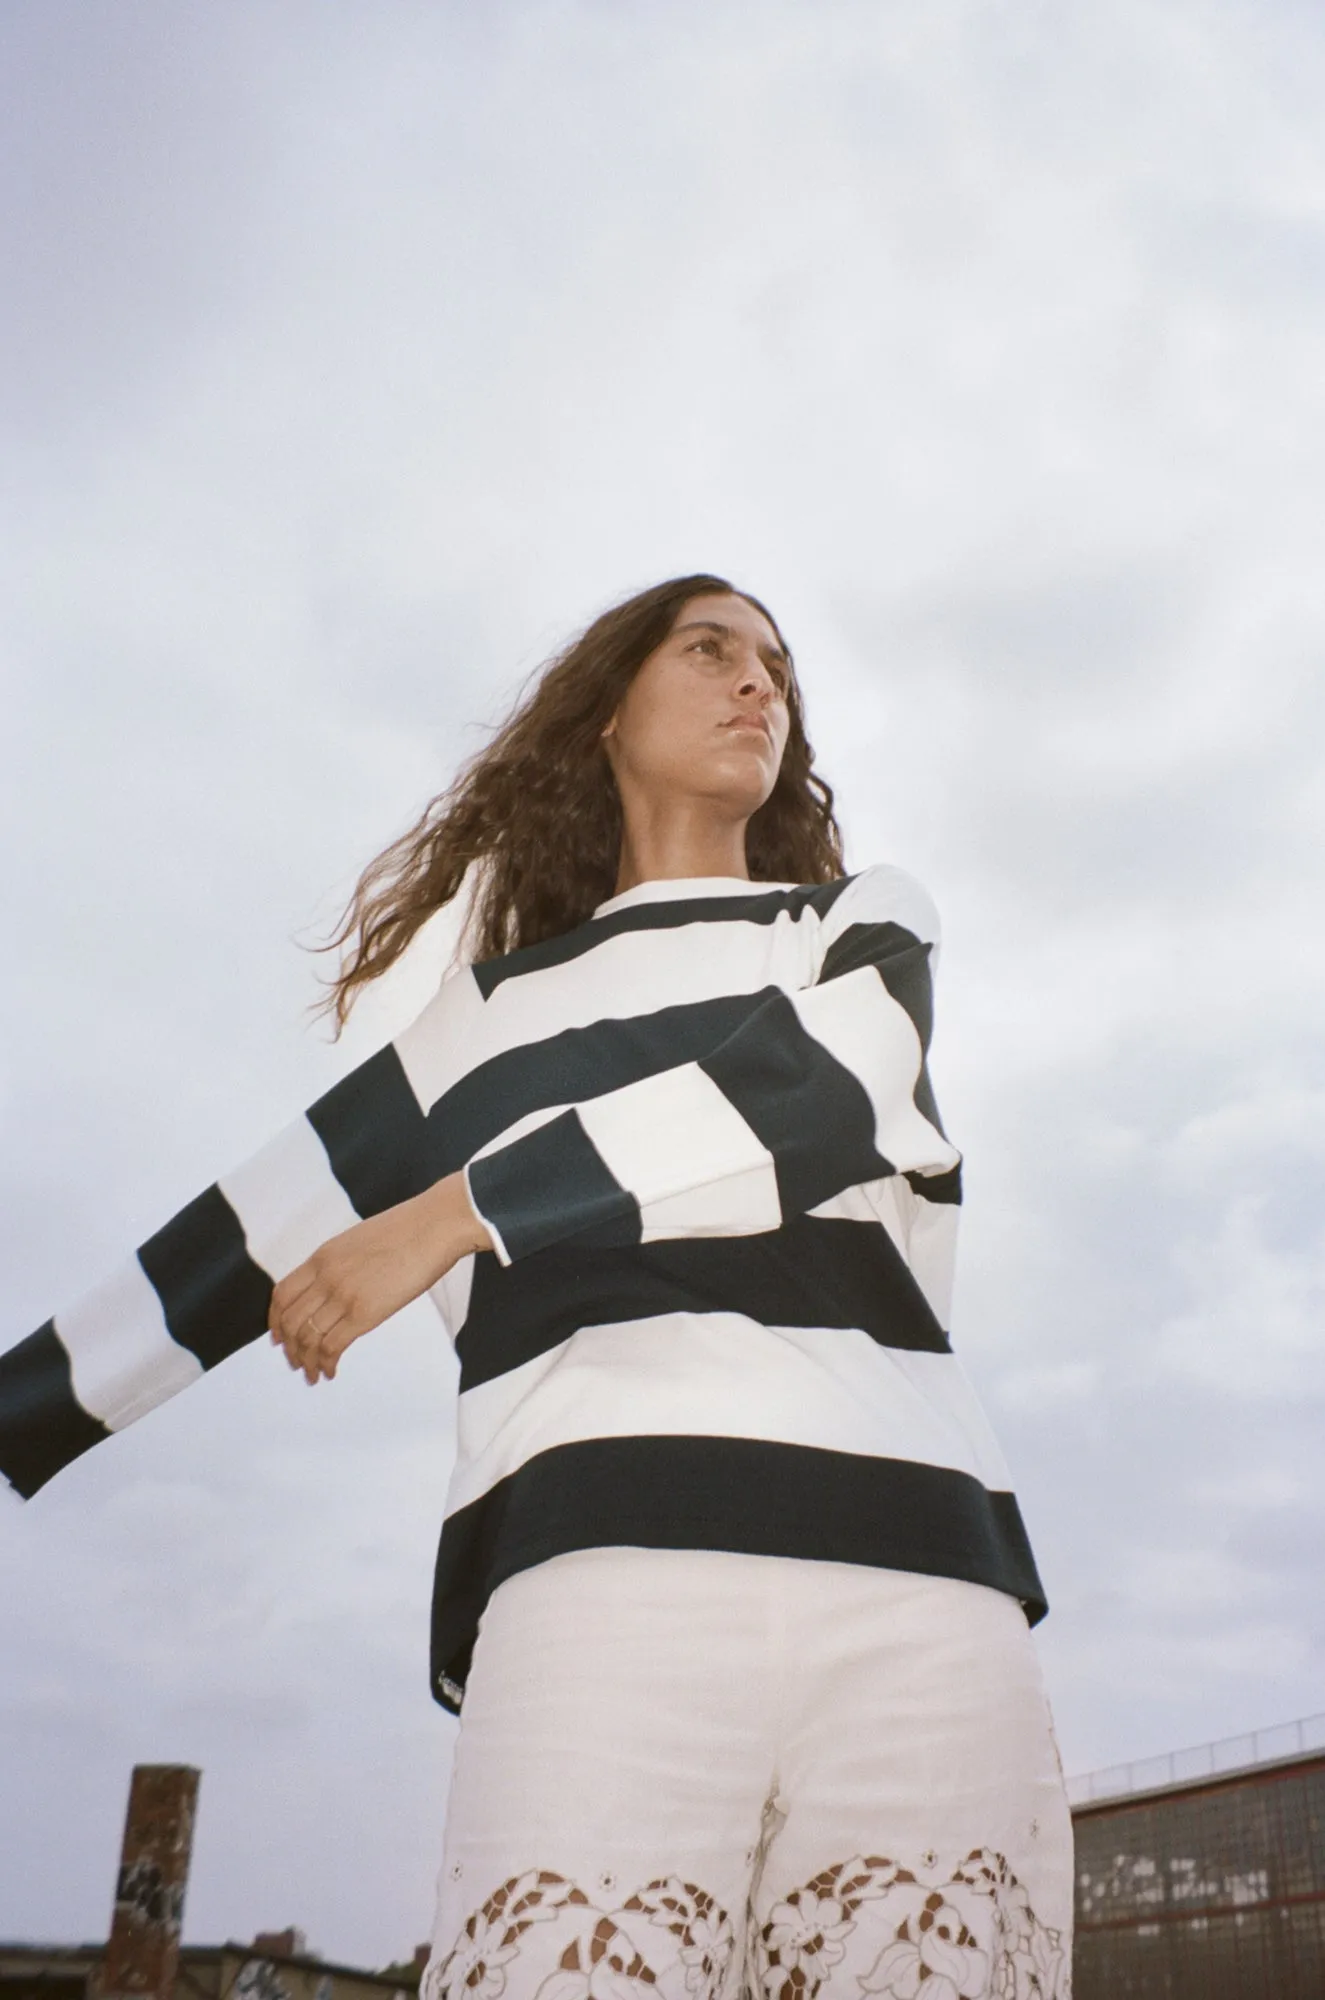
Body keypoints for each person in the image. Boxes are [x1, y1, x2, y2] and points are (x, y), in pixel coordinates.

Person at [0, 575, 1073, 2000]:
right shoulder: (482, 1027)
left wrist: (458, 1210)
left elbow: (824, 1094)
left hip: (918, 1594)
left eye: (778, 665)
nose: (761, 684)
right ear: (607, 713)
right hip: (596, 1589)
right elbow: (209, 1261)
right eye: (711, 650)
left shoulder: (852, 927)